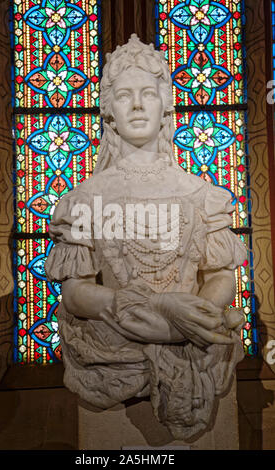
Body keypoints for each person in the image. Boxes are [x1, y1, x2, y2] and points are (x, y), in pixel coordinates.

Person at [45, 34, 246, 440]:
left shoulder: (204, 196)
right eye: (123, 96)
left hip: (197, 343)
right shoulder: (84, 199)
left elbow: (222, 276)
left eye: (147, 94)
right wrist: (146, 306)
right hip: (113, 348)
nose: (137, 105)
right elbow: (75, 293)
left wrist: (194, 319)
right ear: (109, 111)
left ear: (165, 103)